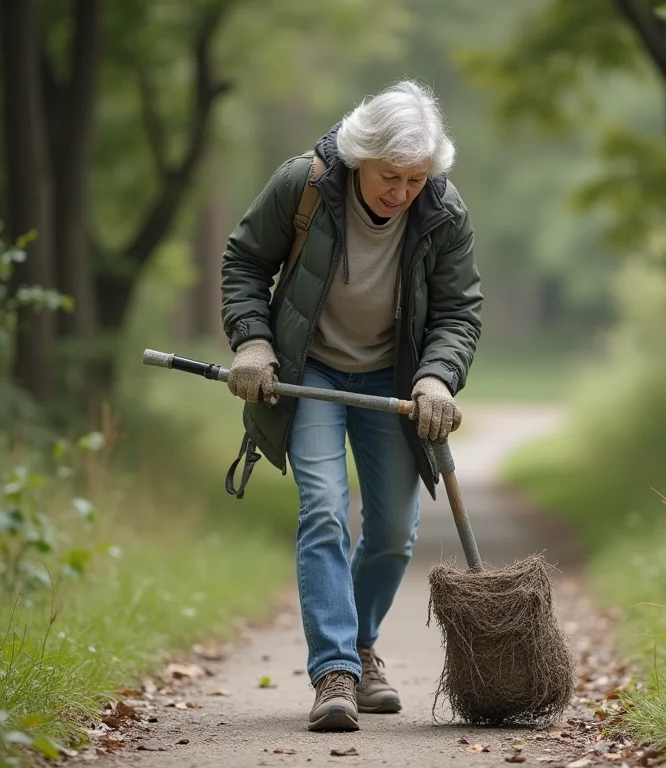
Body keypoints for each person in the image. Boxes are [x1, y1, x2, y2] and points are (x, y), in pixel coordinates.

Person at [220, 79, 482, 732]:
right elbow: (244, 261)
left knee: (393, 533)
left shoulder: (443, 211)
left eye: (415, 179)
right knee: (327, 511)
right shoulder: (302, 185)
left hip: (391, 385)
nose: (400, 193)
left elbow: (458, 310)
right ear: (361, 158)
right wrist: (253, 342)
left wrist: (438, 380)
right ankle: (334, 670)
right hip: (308, 376)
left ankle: (362, 646)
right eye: (389, 177)